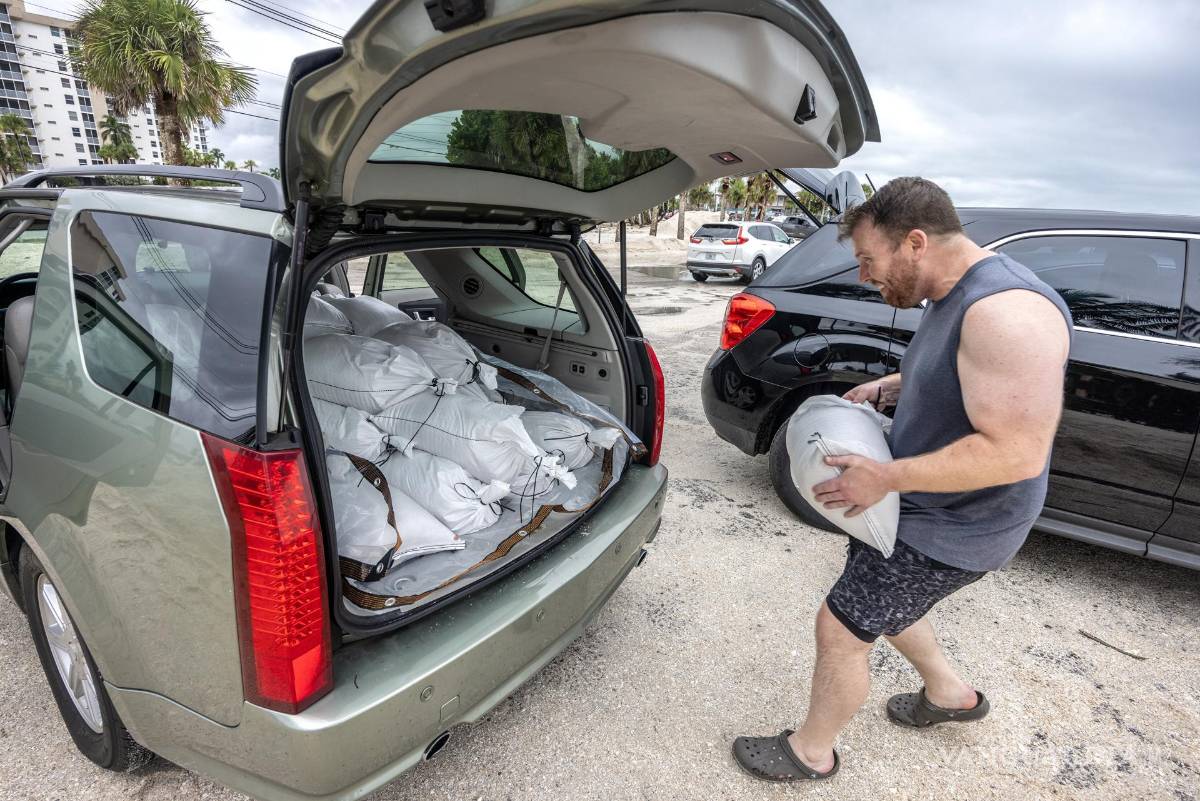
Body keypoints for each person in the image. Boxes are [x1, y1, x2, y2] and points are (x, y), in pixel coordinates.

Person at [732, 177, 1073, 782]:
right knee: (889, 602)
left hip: (955, 523)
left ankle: (811, 752)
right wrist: (896, 385)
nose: (864, 276)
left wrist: (884, 477)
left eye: (868, 260)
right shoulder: (954, 290)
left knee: (842, 625)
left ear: (915, 242)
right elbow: (963, 378)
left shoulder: (1007, 313)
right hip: (930, 509)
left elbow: (1017, 453)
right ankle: (948, 694)